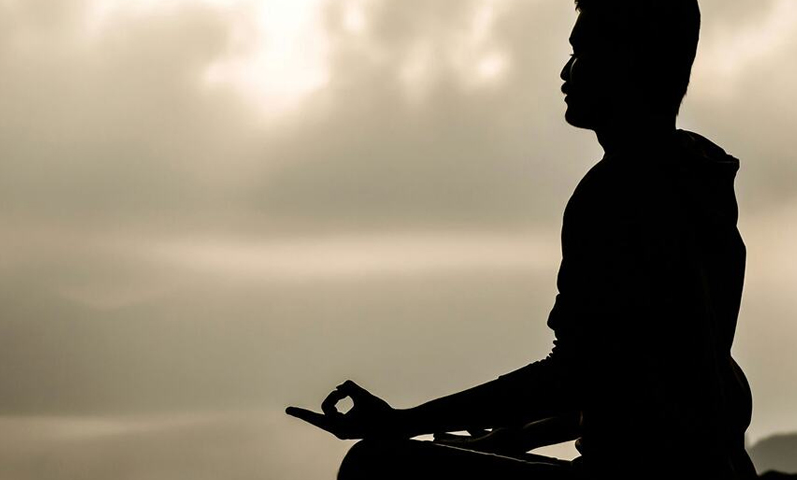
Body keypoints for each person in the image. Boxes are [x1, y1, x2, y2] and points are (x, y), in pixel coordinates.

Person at [286, 1, 758, 478]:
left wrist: (402, 422)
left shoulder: (616, 192)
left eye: (581, 53)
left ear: (629, 61)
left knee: (373, 464)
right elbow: (636, 375)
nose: (566, 72)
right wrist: (513, 437)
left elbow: (574, 373)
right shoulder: (701, 176)